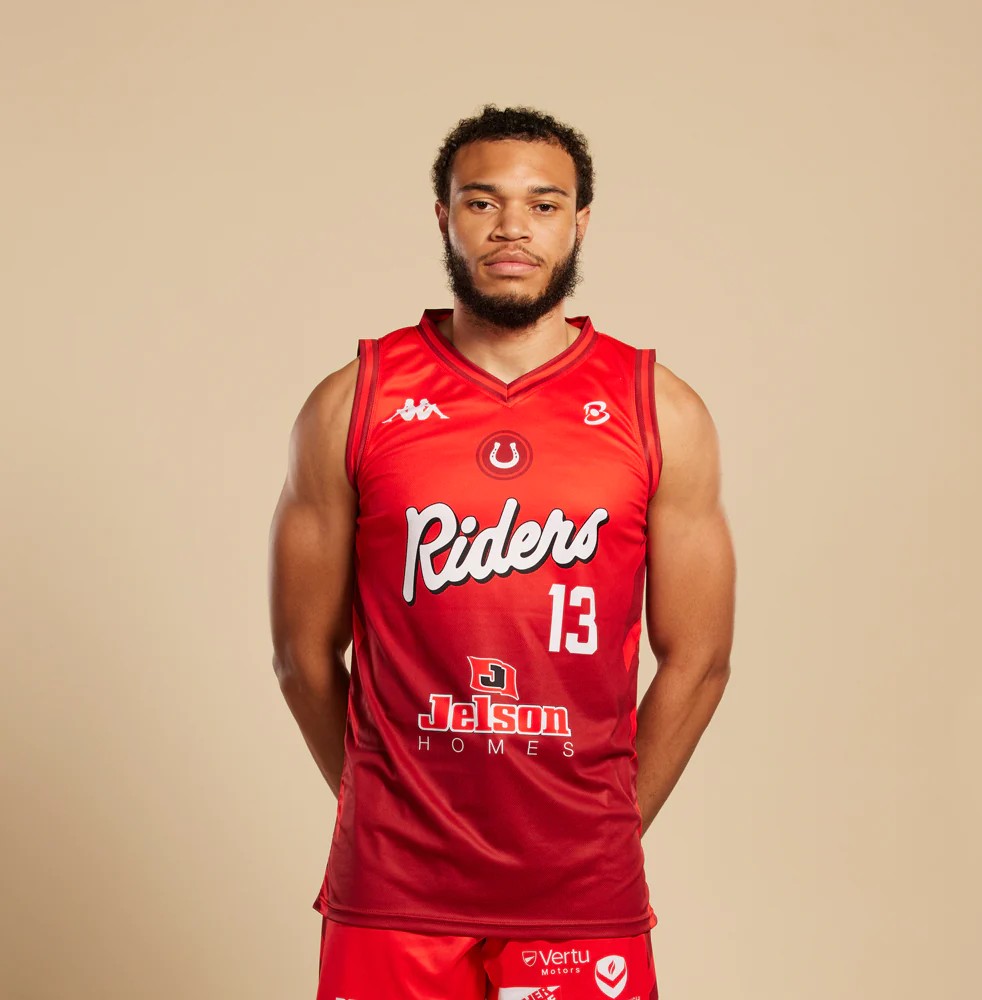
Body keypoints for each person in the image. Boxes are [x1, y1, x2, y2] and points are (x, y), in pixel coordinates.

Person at [267, 103, 736, 1000]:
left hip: (581, 894)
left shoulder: (660, 410)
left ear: (580, 222)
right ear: (443, 216)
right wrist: (384, 811)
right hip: (394, 894)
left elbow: (701, 658)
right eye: (482, 202)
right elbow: (302, 656)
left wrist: (603, 830)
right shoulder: (353, 402)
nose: (512, 226)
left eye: (543, 204)